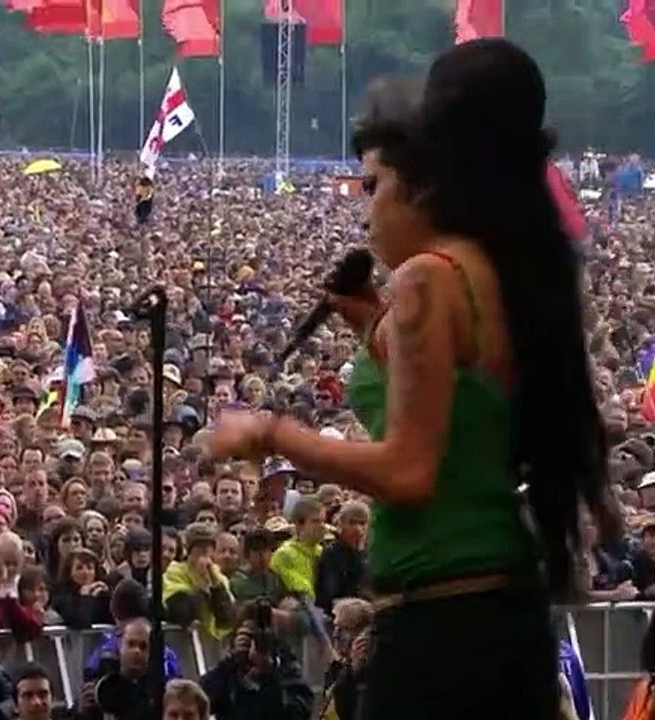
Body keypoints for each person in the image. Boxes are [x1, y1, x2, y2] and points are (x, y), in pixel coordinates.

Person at [206, 38, 614, 719]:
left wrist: (276, 434)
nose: (365, 209)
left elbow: (410, 470)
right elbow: (463, 422)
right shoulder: (507, 269)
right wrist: (375, 331)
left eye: (375, 187)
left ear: (426, 178)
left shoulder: (431, 277)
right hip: (500, 611)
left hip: (442, 625)